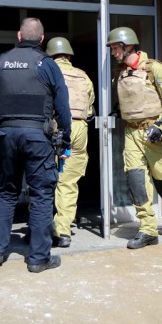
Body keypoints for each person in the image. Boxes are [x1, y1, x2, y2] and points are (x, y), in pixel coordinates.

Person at [0, 18, 72, 273]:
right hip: (37, 138)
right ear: (42, 39)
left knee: (6, 192)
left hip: (5, 137)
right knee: (42, 195)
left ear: (19, 36)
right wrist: (65, 140)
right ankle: (38, 258)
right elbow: (63, 106)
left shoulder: (2, 61)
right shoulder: (48, 65)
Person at [106, 26, 162, 249]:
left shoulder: (155, 69)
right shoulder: (121, 72)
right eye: (112, 48)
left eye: (115, 48)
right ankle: (148, 229)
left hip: (154, 132)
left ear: (128, 46)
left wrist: (161, 127)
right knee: (136, 180)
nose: (113, 53)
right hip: (131, 132)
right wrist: (116, 112)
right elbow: (126, 100)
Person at [47, 37, 95, 248]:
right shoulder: (83, 76)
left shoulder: (48, 72)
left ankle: (40, 228)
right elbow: (90, 106)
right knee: (68, 182)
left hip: (55, 128)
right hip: (79, 130)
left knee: (44, 180)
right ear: (69, 55)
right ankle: (63, 231)